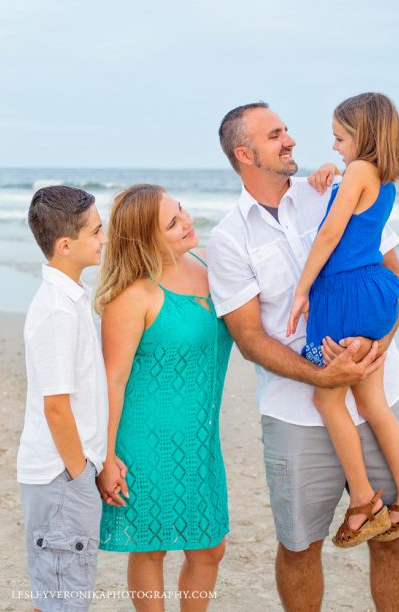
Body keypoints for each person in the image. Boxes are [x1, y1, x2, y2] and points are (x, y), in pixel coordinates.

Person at [206, 102, 399, 612]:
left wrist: (379, 344)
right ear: (245, 154)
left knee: (394, 539)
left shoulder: (333, 189)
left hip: (380, 389)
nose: (290, 140)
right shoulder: (227, 239)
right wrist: (324, 376)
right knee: (299, 545)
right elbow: (248, 339)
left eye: (286, 129)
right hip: (294, 414)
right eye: (275, 135)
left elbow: (394, 282)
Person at [286, 93, 399, 548]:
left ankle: (365, 500)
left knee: (328, 402)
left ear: (362, 134)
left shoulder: (358, 171)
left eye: (339, 137)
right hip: (372, 293)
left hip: (345, 295)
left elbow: (331, 233)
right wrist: (332, 178)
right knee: (371, 404)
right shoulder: (381, 176)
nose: (335, 147)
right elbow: (352, 217)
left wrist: (302, 288)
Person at [95, 184, 232, 612]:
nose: (187, 221)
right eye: (172, 223)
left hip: (201, 440)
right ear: (145, 240)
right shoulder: (134, 296)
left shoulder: (210, 264)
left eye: (182, 210)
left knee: (209, 549)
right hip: (146, 442)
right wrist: (106, 457)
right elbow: (112, 381)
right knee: (151, 547)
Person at [17, 186, 109, 612]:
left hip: (64, 472)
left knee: (55, 594)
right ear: (65, 245)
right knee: (62, 599)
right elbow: (57, 406)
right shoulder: (57, 308)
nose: (104, 237)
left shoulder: (70, 298)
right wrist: (79, 473)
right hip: (61, 475)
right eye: (96, 231)